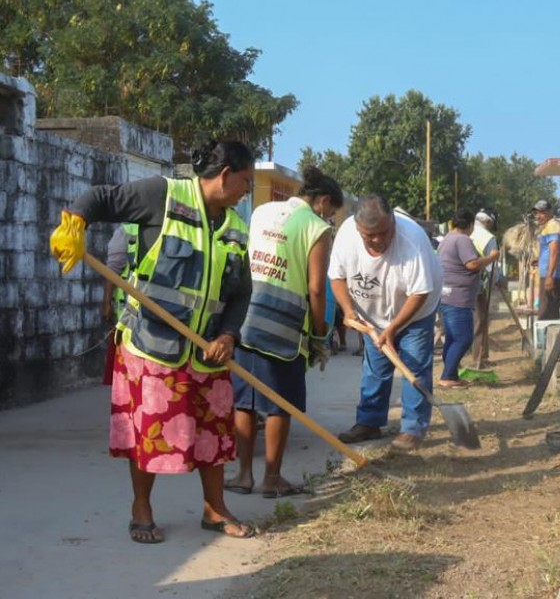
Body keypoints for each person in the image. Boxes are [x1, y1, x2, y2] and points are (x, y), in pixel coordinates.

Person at [50, 139, 256, 543]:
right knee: (148, 436)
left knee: (213, 436)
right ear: (226, 174)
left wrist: (229, 334)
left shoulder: (235, 227)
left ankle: (215, 510)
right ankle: (140, 508)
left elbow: (241, 291)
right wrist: (74, 222)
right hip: (151, 347)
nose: (247, 190)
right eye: (246, 181)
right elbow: (97, 198)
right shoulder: (162, 196)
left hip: (207, 351)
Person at [224, 165, 343, 497]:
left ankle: (243, 475)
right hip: (281, 329)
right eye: (331, 211)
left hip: (243, 317)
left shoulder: (262, 211)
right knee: (280, 404)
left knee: (244, 401)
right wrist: (320, 336)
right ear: (322, 201)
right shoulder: (316, 228)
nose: (330, 218)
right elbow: (317, 289)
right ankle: (272, 478)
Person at [329, 194, 443, 452]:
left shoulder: (411, 239)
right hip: (372, 314)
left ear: (393, 221)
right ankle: (369, 422)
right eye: (371, 235)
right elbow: (336, 277)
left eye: (384, 232)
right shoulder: (346, 236)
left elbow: (420, 292)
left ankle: (413, 427)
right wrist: (348, 310)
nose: (379, 240)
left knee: (414, 365)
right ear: (359, 229)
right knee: (375, 367)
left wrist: (392, 329)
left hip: (416, 311)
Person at [437, 208, 500, 388]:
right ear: (470, 225)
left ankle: (452, 375)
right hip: (459, 297)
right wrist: (491, 257)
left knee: (452, 338)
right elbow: (472, 264)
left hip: (447, 295)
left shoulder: (447, 239)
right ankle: (448, 376)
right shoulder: (462, 239)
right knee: (463, 339)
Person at [100, 223, 139, 385]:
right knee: (126, 369)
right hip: (127, 313)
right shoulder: (126, 232)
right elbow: (112, 271)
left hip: (154, 312)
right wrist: (107, 303)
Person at [470, 207, 503, 369]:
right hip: (480, 285)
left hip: (463, 284)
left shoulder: (467, 232)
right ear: (488, 221)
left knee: (476, 321)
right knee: (480, 321)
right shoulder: (489, 238)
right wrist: (497, 280)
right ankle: (478, 359)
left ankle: (483, 356)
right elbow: (492, 266)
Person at [532, 199, 560, 320]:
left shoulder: (553, 226)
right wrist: (539, 259)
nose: (538, 216)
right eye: (536, 213)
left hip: (554, 277)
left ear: (551, 211)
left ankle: (548, 339)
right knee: (547, 311)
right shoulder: (547, 226)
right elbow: (550, 251)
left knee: (547, 314)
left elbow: (555, 251)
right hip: (550, 275)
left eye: (542, 212)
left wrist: (550, 276)